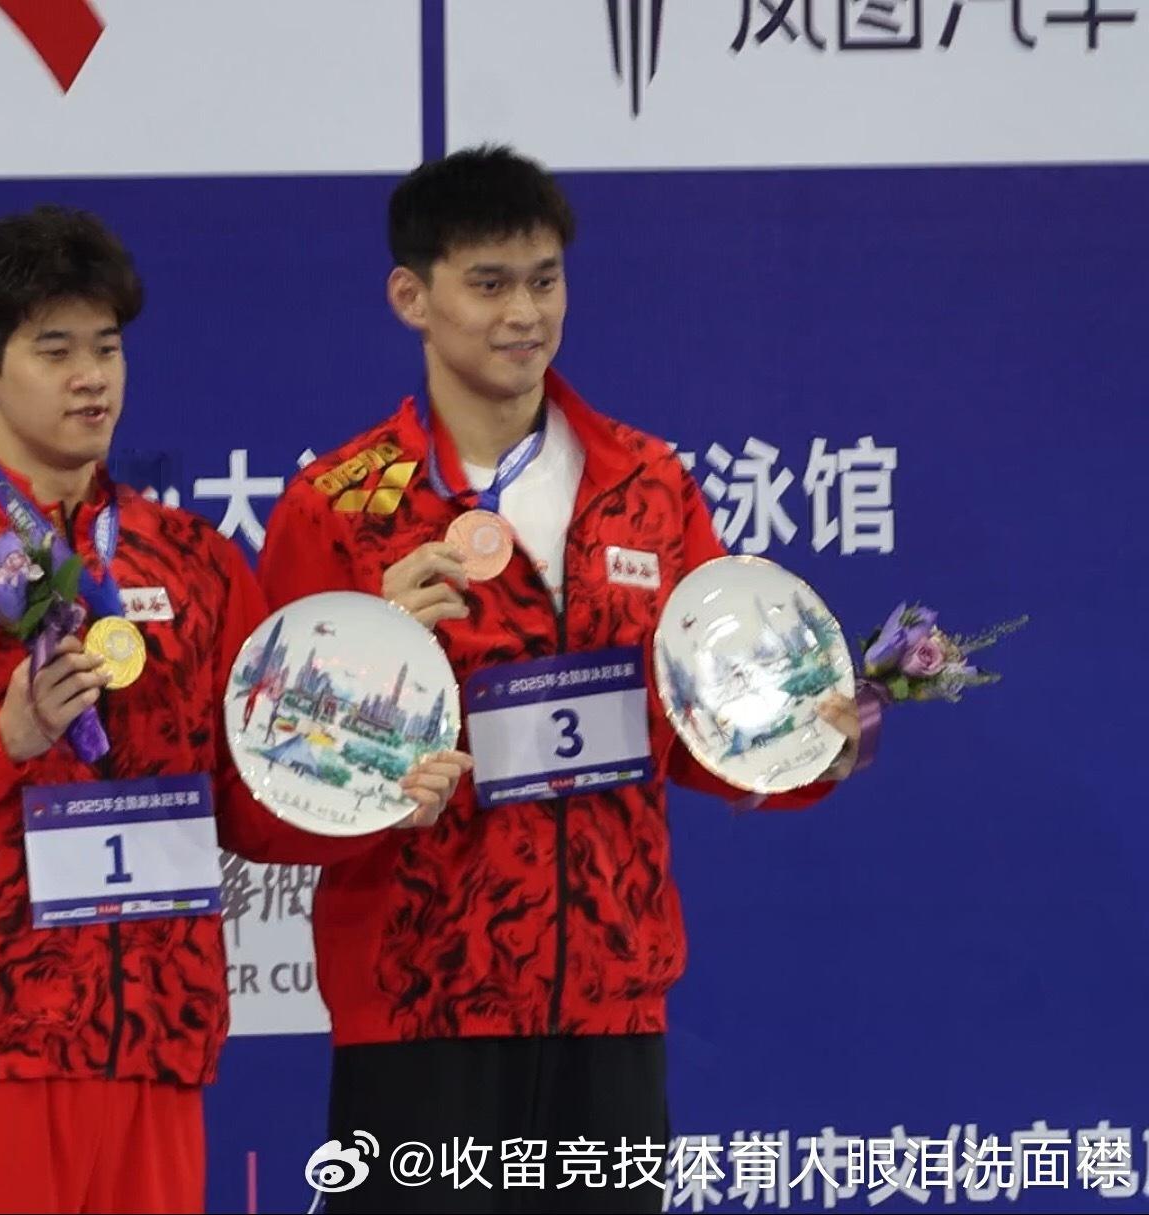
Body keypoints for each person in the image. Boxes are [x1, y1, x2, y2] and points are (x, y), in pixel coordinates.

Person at [249, 146, 871, 1214]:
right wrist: (371, 651)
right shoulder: (341, 509)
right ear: (412, 297)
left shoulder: (650, 486)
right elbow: (272, 786)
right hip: (420, 1003)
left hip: (611, 998)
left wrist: (810, 744)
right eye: (489, 283)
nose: (524, 314)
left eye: (544, 280)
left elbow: (695, 728)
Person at [0, 205, 288, 1214]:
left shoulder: (198, 561)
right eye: (57, 349)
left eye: (107, 348)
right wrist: (1, 739)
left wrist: (371, 789)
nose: (92, 378)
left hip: (159, 1040)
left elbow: (256, 802)